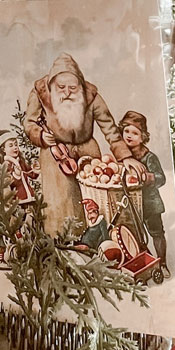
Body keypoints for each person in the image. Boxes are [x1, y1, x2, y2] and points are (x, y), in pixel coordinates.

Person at [24, 53, 147, 236]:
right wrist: (40, 135)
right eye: (61, 87)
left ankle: (95, 242)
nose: (66, 93)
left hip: (87, 150)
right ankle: (62, 244)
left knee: (95, 199)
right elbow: (29, 123)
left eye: (73, 88)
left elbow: (109, 127)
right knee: (60, 203)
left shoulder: (91, 95)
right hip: (54, 152)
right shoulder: (40, 92)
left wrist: (125, 156)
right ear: (51, 84)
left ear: (80, 85)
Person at [118, 110, 170, 278]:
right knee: (134, 235)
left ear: (143, 137)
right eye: (126, 131)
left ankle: (162, 263)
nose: (129, 136)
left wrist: (148, 177)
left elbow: (162, 178)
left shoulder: (149, 157)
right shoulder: (122, 156)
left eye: (135, 132)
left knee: (156, 233)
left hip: (150, 203)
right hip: (131, 205)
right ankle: (140, 265)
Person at [0, 129, 37, 269]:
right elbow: (4, 184)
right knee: (15, 227)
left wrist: (35, 170)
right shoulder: (7, 165)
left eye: (16, 144)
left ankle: (28, 252)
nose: (15, 147)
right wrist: (16, 177)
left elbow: (31, 174)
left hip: (28, 200)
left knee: (28, 226)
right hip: (15, 202)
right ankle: (10, 256)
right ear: (3, 149)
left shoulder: (20, 161)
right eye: (11, 145)